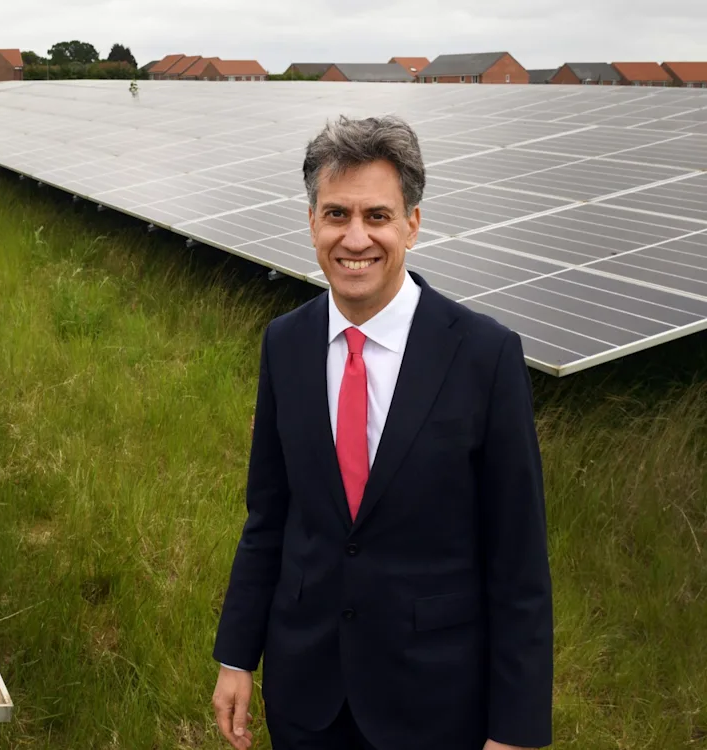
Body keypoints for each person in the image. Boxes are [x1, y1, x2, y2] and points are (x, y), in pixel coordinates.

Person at [211, 115, 553, 750]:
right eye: (337, 214)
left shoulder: (485, 356)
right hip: (305, 693)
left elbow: (519, 563)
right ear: (312, 221)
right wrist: (237, 656)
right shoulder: (284, 344)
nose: (356, 237)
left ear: (412, 226)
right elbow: (268, 519)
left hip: (433, 703)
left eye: (378, 215)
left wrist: (517, 731)